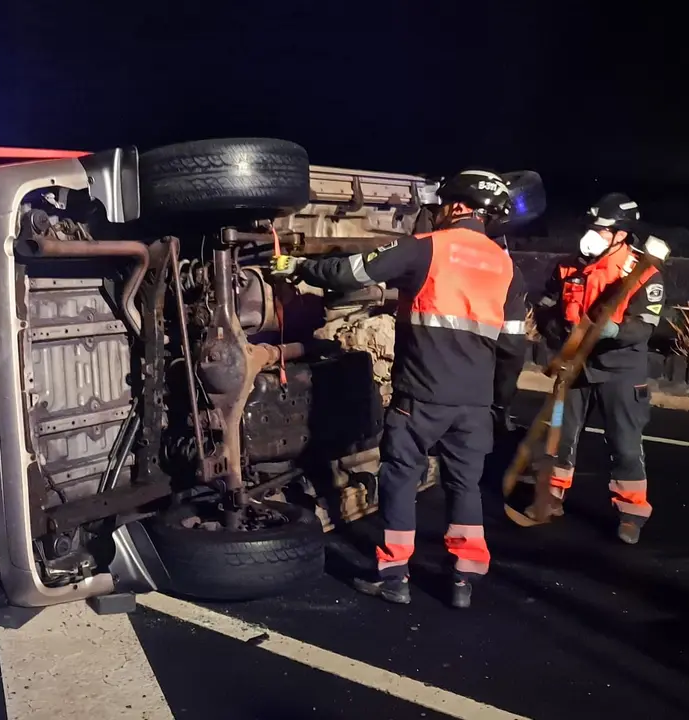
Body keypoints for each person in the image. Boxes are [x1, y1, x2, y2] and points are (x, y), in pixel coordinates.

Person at [272, 169, 528, 608]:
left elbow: (351, 272)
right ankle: (463, 580)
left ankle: (394, 577)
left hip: (421, 397)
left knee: (400, 479)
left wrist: (298, 266)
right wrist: (500, 403)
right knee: (464, 486)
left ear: (456, 206)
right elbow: (513, 348)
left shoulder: (426, 247)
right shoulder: (509, 269)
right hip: (474, 403)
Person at [531, 193, 663, 544]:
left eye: (602, 229)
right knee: (559, 435)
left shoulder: (643, 272)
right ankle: (551, 497)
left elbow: (644, 326)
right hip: (576, 366)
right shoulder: (567, 267)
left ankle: (631, 513)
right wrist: (560, 334)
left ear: (622, 234)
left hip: (621, 370)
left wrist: (614, 331)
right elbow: (546, 307)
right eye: (591, 227)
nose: (592, 234)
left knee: (624, 443)